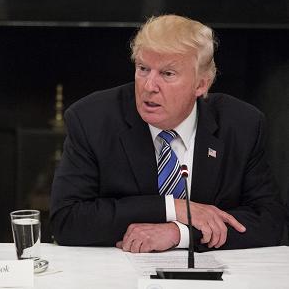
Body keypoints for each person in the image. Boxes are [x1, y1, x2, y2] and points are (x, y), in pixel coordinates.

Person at [50, 14, 285, 252]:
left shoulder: (241, 125)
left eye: (167, 74)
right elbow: (67, 220)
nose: (149, 86)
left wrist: (180, 233)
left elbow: (269, 221)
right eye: (143, 69)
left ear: (201, 84)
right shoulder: (92, 119)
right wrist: (173, 208)